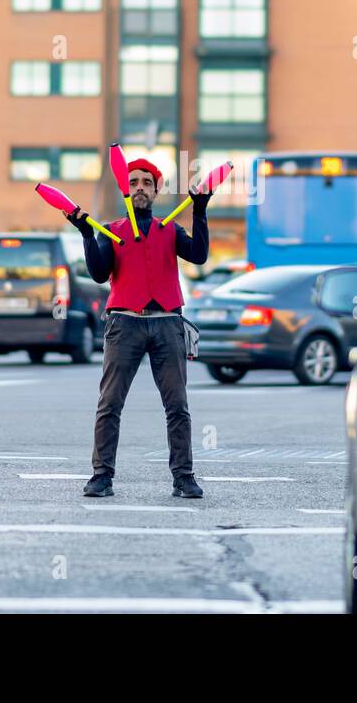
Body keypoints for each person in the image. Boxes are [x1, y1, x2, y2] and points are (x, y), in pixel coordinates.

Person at [64, 157, 211, 498]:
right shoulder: (112, 231)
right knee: (110, 403)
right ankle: (101, 476)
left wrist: (200, 211)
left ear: (157, 190)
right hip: (124, 323)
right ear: (125, 189)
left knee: (177, 405)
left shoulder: (170, 229)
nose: (140, 187)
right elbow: (100, 273)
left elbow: (199, 256)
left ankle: (184, 477)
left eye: (147, 182)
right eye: (134, 183)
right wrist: (87, 233)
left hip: (167, 323)